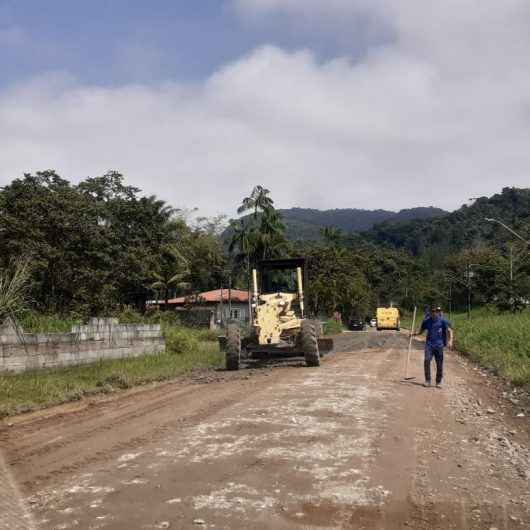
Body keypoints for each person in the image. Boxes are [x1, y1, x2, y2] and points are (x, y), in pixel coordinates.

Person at [415, 306, 453, 388]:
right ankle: (427, 380)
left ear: (437, 312)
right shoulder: (427, 321)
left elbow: (449, 330)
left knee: (439, 364)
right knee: (427, 360)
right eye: (432, 311)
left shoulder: (443, 321)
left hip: (439, 345)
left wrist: (450, 341)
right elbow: (421, 331)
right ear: (430, 312)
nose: (434, 313)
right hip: (429, 345)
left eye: (435, 311)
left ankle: (438, 382)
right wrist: (414, 334)